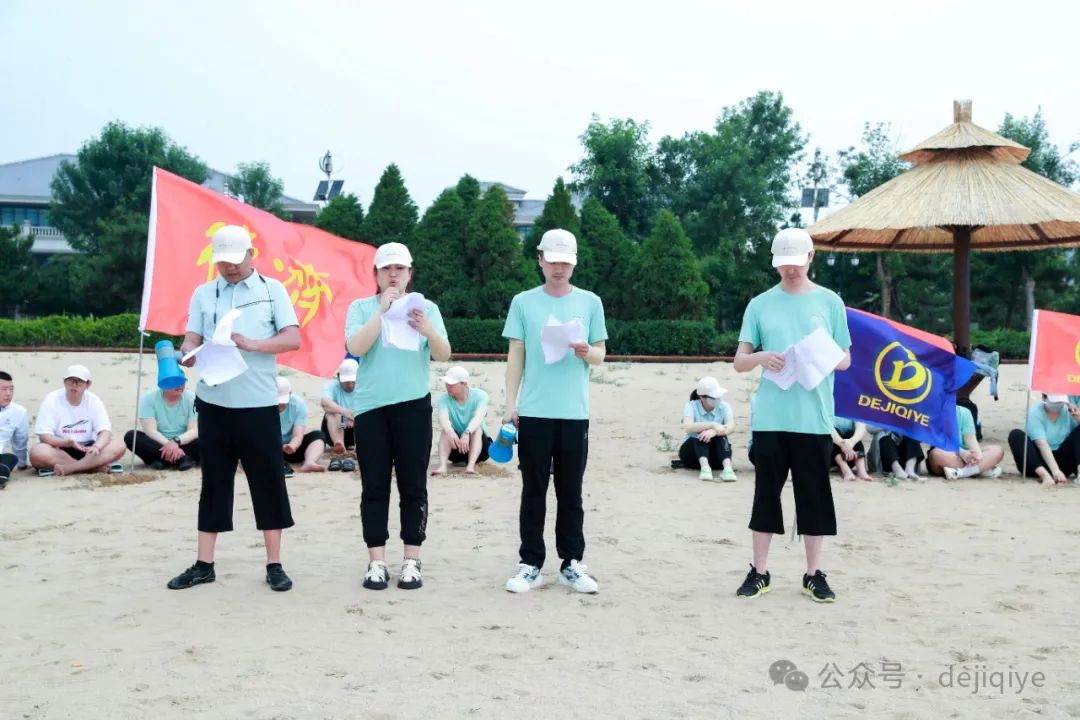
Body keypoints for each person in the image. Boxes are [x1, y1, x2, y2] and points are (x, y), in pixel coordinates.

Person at [168, 224, 301, 593]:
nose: (228, 267)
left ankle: (274, 564)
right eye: (222, 261)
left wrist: (254, 344)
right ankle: (204, 564)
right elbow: (191, 338)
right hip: (213, 403)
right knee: (213, 483)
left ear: (251, 255)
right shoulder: (203, 293)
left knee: (268, 482)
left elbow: (292, 338)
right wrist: (187, 354)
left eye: (234, 260)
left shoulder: (272, 291)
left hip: (258, 404)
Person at [733, 228, 851, 603]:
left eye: (796, 263)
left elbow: (846, 360)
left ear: (811, 257)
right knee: (765, 495)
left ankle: (814, 574)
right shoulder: (760, 305)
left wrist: (817, 354)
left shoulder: (830, 302)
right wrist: (761, 357)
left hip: (814, 418)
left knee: (814, 496)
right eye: (784, 264)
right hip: (771, 417)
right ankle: (759, 571)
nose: (791, 270)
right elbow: (739, 361)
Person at [502, 228, 607, 595]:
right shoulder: (523, 302)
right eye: (553, 261)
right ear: (540, 260)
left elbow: (600, 354)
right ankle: (530, 562)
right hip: (534, 412)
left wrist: (586, 351)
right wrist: (510, 405)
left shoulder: (590, 302)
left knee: (571, 492)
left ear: (574, 264)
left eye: (565, 262)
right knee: (533, 490)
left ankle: (571, 563)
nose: (559, 268)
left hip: (574, 413)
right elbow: (516, 357)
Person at [345, 242, 451, 591]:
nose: (393, 274)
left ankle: (411, 560)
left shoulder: (426, 308)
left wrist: (428, 330)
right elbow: (355, 348)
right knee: (374, 485)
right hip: (371, 408)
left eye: (400, 269)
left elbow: (443, 354)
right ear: (375, 273)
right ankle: (376, 561)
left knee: (413, 484)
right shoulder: (361, 308)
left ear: (410, 273)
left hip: (413, 405)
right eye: (386, 269)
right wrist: (381, 311)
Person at [30, 364, 127, 476]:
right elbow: (44, 436)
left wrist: (97, 446)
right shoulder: (51, 399)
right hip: (60, 449)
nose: (74, 385)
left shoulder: (94, 400)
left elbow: (105, 431)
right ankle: (91, 468)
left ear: (88, 384)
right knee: (37, 451)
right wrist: (68, 443)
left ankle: (71, 468)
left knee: (119, 445)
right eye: (70, 381)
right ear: (64, 382)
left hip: (89, 450)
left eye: (79, 381)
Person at [124, 374, 199, 471]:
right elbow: (151, 431)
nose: (180, 385)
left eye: (182, 382)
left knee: (208, 436)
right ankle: (182, 459)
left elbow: (193, 430)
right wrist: (169, 444)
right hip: (159, 444)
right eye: (175, 382)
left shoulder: (192, 398)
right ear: (163, 384)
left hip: (184, 443)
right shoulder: (149, 398)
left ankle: (161, 460)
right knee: (131, 436)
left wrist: (176, 441)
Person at [1007, 393, 1080, 486]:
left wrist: (1078, 417)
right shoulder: (1035, 413)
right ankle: (1045, 476)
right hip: (1036, 463)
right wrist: (1055, 470)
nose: (1058, 405)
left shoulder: (1067, 411)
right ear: (1044, 398)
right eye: (1055, 402)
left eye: (1060, 402)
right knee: (1016, 435)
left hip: (1062, 461)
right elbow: (1042, 444)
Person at [432, 366, 491, 476]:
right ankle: (442, 466)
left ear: (464, 383)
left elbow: (479, 417)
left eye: (452, 384)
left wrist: (467, 432)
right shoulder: (444, 399)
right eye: (447, 383)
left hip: (481, 450)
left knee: (477, 429)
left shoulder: (480, 395)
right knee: (446, 431)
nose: (448, 387)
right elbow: (443, 418)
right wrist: (450, 431)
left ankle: (470, 466)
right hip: (456, 449)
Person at [679, 376, 737, 482]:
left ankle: (728, 469)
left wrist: (714, 431)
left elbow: (731, 426)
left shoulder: (724, 406)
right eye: (714, 397)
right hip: (692, 456)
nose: (718, 399)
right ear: (702, 397)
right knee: (700, 434)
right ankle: (705, 468)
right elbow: (688, 426)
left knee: (721, 435)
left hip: (716, 457)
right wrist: (712, 425)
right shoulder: (691, 406)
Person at [926, 404, 1004, 480]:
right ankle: (981, 469)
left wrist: (977, 455)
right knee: (936, 454)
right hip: (948, 453)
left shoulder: (964, 412)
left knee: (997, 450)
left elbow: (971, 439)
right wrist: (962, 453)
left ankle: (962, 473)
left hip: (968, 455)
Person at [277, 376, 326, 475]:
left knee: (318, 435)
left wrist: (292, 446)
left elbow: (298, 435)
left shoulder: (298, 404)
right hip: (269, 448)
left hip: (290, 449)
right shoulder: (262, 405)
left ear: (290, 393)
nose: (280, 403)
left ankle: (309, 462)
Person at [320, 358, 361, 471]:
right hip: (336, 427)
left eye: (353, 381)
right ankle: (339, 444)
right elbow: (325, 403)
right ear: (338, 377)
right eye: (346, 382)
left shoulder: (364, 387)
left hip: (357, 428)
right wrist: (345, 413)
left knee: (366, 415)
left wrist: (355, 417)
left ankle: (360, 445)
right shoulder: (331, 386)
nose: (350, 385)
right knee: (332, 413)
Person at [0, 371, 30, 489]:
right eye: (3, 389)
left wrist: (22, 464)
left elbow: (20, 441)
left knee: (11, 458)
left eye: (11, 389)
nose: (8, 393)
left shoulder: (19, 412)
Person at [830, 417, 873, 482]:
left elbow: (861, 427)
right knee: (831, 436)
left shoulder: (854, 411)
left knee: (851, 433)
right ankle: (846, 471)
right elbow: (828, 428)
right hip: (832, 457)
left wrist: (852, 442)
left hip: (850, 456)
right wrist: (842, 445)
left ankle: (861, 471)